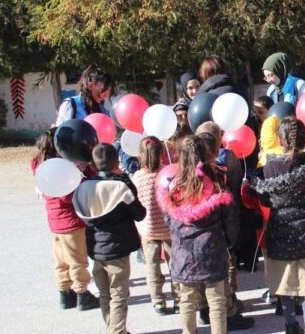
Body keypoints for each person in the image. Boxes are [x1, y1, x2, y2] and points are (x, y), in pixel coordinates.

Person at [252, 117, 305, 334]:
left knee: (285, 283)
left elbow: (263, 201)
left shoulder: (267, 170)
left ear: (279, 140)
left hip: (280, 231)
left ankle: (290, 326)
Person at [157, 136, 239, 334]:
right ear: (206, 154)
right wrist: (229, 242)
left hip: (183, 250)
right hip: (212, 247)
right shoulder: (217, 181)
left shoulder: (173, 185)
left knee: (186, 299)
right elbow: (230, 217)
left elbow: (168, 217)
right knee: (217, 298)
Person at [72, 143, 146, 334]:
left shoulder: (82, 187)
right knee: (119, 293)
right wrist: (126, 181)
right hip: (118, 248)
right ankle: (117, 331)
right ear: (116, 163)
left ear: (94, 165)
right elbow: (139, 214)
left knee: (104, 293)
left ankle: (111, 327)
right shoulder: (120, 187)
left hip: (96, 248)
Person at [30, 128, 100, 311]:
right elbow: (69, 195)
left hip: (54, 221)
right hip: (70, 221)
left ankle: (64, 292)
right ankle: (82, 293)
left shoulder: (42, 166)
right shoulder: (60, 168)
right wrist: (86, 177)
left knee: (61, 259)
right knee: (78, 259)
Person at [194, 124, 256, 330]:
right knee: (224, 270)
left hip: (194, 232)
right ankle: (229, 310)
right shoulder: (224, 163)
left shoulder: (188, 170)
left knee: (202, 270)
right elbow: (234, 191)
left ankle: (203, 308)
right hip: (219, 227)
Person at [132, 136, 178, 315]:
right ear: (160, 153)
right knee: (174, 263)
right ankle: (179, 298)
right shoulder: (166, 174)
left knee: (152, 266)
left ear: (140, 155)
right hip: (167, 228)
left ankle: (158, 301)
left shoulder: (137, 177)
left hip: (147, 229)